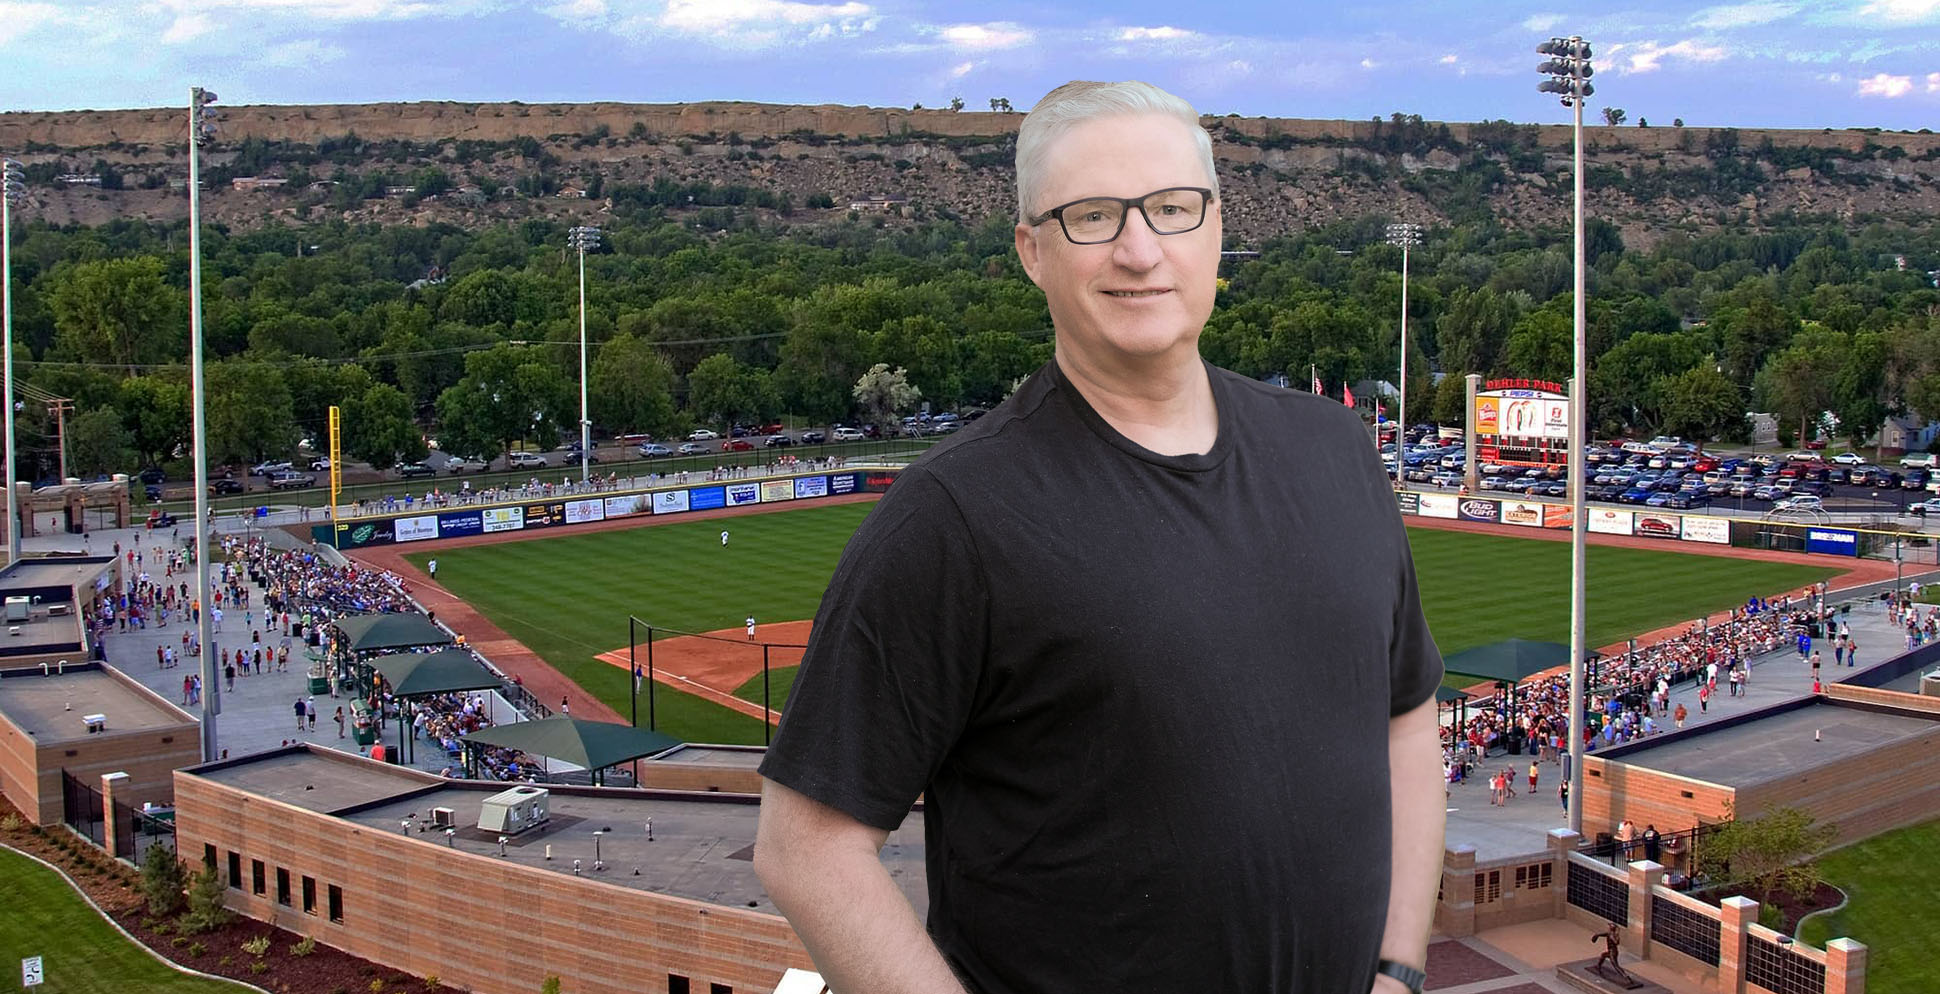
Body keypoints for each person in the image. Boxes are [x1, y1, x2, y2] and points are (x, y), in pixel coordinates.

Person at [753, 80, 1444, 994]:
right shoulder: (955, 515)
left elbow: (1406, 721)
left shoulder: (1336, 448)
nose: (1140, 248)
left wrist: (1397, 968)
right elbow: (805, 849)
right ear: (1032, 251)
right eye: (1092, 216)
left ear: (1215, 225)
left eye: (1171, 208)